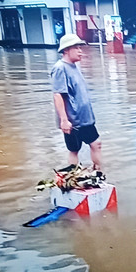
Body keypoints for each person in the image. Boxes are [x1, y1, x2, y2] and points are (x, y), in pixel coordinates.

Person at [50, 33, 103, 170]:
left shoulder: (73, 67)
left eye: (80, 48)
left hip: (84, 117)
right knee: (76, 148)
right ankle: (74, 175)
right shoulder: (60, 68)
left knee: (95, 144)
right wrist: (64, 120)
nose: (80, 51)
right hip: (74, 120)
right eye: (77, 48)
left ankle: (96, 172)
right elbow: (58, 95)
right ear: (66, 50)